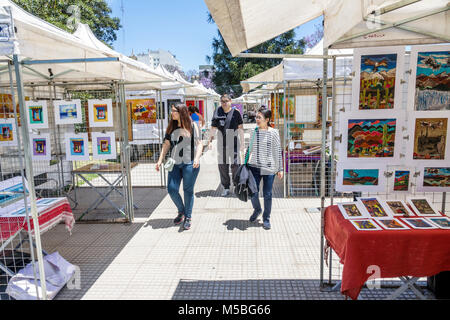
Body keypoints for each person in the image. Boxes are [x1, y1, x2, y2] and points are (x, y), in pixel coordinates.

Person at [156, 104, 203, 230]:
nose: (171, 113)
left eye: (174, 111)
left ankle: (188, 216)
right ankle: (181, 211)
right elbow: (166, 144)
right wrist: (160, 160)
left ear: (181, 112)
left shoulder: (193, 126)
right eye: (171, 111)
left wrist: (197, 158)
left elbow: (199, 144)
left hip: (190, 163)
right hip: (174, 163)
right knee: (171, 189)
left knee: (188, 191)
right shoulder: (171, 126)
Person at [247, 107, 283, 230]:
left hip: (269, 167)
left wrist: (280, 168)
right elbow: (249, 149)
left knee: (267, 194)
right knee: (253, 192)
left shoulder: (274, 132)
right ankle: (257, 209)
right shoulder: (254, 131)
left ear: (267, 119)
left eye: (259, 117)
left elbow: (277, 151)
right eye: (256, 117)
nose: (257, 119)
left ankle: (266, 218)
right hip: (254, 167)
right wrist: (244, 162)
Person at [208, 94, 244, 197]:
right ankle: (226, 187)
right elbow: (213, 128)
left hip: (233, 143)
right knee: (222, 166)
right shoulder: (217, 112)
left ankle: (237, 186)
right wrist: (210, 141)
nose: (224, 103)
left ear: (230, 101)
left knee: (235, 165)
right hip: (221, 144)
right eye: (222, 101)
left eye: (226, 101)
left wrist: (242, 144)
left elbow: (240, 128)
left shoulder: (236, 113)